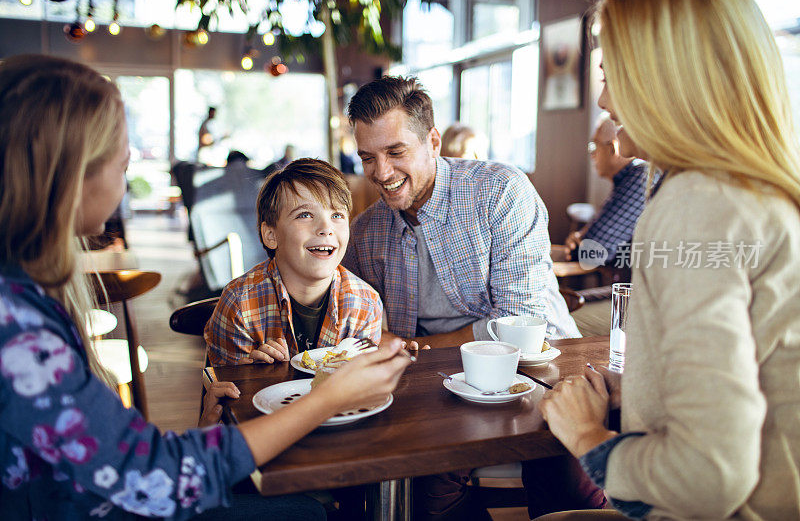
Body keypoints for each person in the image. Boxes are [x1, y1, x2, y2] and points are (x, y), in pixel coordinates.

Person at [0, 54, 412, 520]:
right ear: (68, 174)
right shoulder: (18, 332)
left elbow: (126, 457)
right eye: (120, 154)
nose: (128, 165)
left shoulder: (25, 300)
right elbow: (153, 477)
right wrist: (329, 397)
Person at [538, 0, 800, 519]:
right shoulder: (753, 194)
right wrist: (638, 389)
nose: (607, 103)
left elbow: (708, 473)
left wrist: (587, 435)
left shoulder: (697, 204)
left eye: (611, 76)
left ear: (666, 81)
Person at [343, 76, 598, 520]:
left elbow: (523, 320)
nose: (380, 172)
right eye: (368, 157)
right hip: (439, 388)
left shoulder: (499, 191)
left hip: (540, 369)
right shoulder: (366, 231)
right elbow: (367, 329)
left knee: (566, 475)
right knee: (425, 484)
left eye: (396, 151)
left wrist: (421, 349)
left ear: (434, 142)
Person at [205, 158, 383, 366]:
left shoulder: (365, 304)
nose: (326, 228)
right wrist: (253, 374)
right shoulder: (240, 305)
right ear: (271, 235)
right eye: (305, 215)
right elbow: (224, 391)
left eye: (337, 215)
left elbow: (363, 388)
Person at [565, 114, 657, 336]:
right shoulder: (627, 179)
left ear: (613, 147)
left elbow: (591, 252)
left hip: (648, 302)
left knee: (558, 323)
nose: (593, 155)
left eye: (593, 146)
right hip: (631, 292)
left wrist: (580, 243)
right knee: (560, 306)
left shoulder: (640, 177)